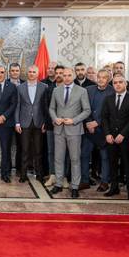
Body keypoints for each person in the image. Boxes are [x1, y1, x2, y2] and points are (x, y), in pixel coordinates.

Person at [48, 68, 91, 198]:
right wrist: (55, 118)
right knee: (58, 158)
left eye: (69, 75)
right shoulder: (56, 90)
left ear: (73, 76)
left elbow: (87, 110)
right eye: (64, 75)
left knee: (75, 159)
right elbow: (51, 108)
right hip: (59, 129)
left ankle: (75, 186)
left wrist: (74, 120)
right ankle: (58, 184)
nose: (66, 77)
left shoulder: (82, 91)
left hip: (74, 130)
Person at [101, 73, 129, 201]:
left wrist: (123, 134)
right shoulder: (108, 98)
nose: (117, 85)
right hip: (111, 138)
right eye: (115, 83)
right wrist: (107, 133)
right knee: (112, 164)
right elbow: (104, 118)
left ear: (126, 83)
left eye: (120, 82)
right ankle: (114, 187)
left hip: (126, 138)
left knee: (128, 166)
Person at [15, 65, 48, 183]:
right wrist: (17, 123)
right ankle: (23, 174)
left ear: (37, 73)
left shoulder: (44, 87)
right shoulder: (20, 87)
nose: (32, 74)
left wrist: (45, 122)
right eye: (30, 72)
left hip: (39, 123)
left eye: (34, 72)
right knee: (24, 150)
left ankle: (39, 174)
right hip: (24, 123)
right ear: (27, 73)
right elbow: (17, 106)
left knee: (38, 151)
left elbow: (46, 106)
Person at [84, 70, 114, 192]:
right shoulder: (88, 90)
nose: (101, 79)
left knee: (105, 157)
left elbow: (112, 112)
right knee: (84, 154)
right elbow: (84, 107)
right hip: (88, 129)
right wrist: (88, 122)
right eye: (99, 77)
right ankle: (84, 180)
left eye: (104, 77)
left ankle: (104, 182)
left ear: (108, 79)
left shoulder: (113, 91)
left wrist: (97, 122)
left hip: (104, 130)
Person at [43, 64, 66, 187]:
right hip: (51, 125)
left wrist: (63, 119)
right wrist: (53, 119)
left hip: (67, 125)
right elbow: (45, 106)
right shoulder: (49, 88)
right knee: (51, 151)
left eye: (61, 73)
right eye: (57, 73)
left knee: (65, 152)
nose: (58, 75)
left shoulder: (70, 89)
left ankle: (64, 176)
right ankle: (52, 176)